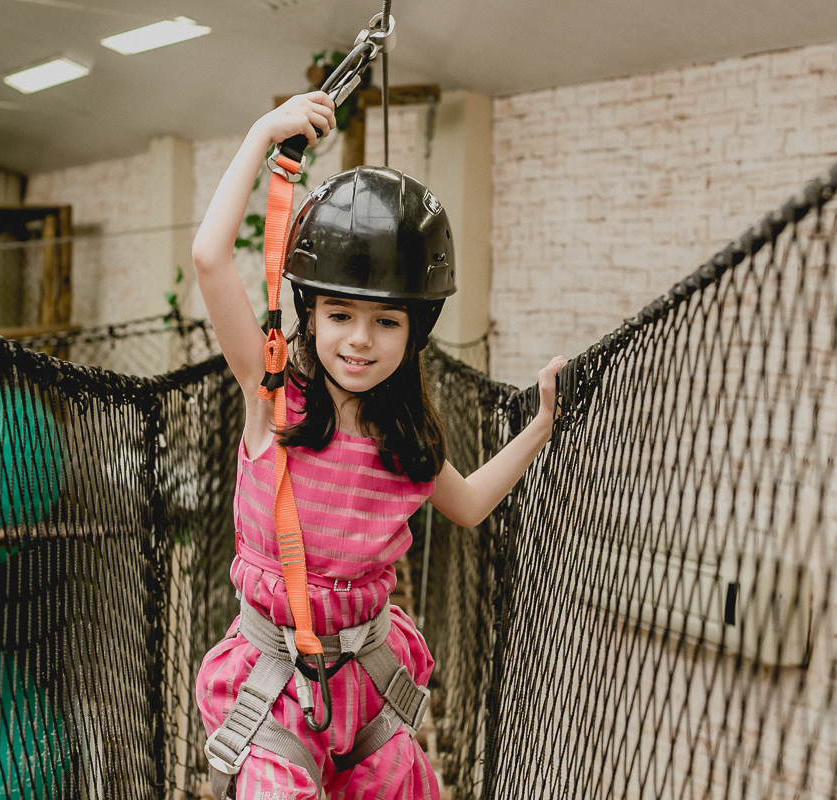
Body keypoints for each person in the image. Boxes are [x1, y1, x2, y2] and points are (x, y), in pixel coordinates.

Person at [192, 90, 567, 800]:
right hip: (273, 689)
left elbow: (471, 504)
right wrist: (260, 136)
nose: (359, 340)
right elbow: (210, 258)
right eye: (338, 315)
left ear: (414, 331)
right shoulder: (271, 394)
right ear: (311, 312)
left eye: (385, 322)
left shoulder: (407, 444)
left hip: (369, 684)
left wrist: (541, 426)